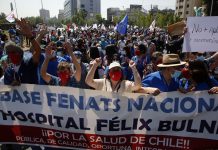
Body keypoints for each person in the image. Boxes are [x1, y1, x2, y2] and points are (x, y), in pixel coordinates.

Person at [4, 18, 41, 86]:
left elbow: (38, 51)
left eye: (12, 52)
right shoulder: (9, 71)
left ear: (19, 52)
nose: (10, 55)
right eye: (8, 53)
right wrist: (12, 86)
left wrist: (30, 35)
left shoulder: (28, 62)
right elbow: (6, 86)